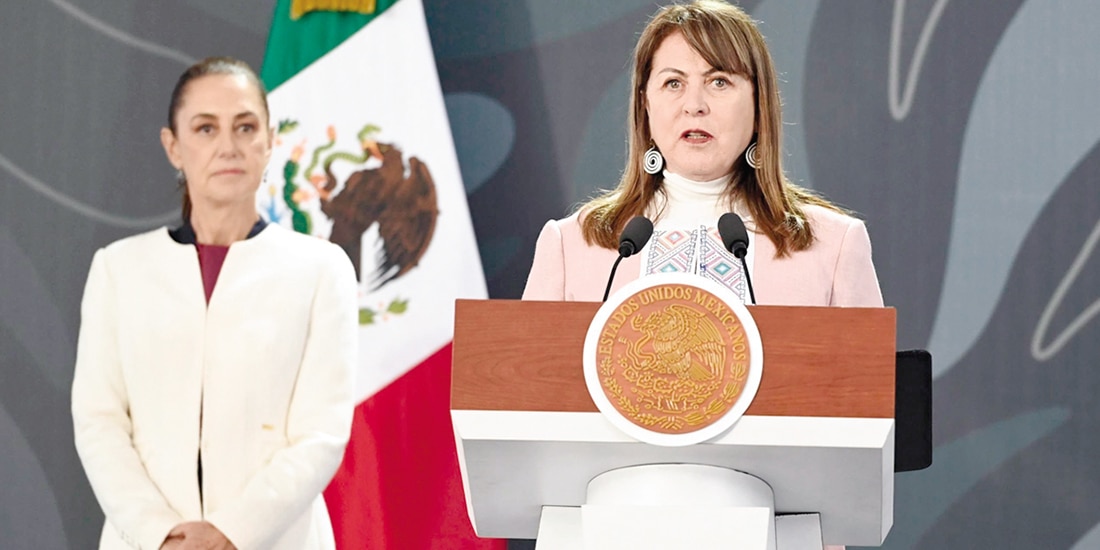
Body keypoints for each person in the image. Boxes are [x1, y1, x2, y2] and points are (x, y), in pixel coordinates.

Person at [71, 57, 358, 550]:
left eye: (245, 127)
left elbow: (321, 432)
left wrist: (231, 532)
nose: (228, 146)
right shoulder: (119, 269)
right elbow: (99, 422)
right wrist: (161, 533)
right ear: (173, 146)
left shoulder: (320, 269)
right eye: (206, 128)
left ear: (270, 141)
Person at [523, 0, 882, 310]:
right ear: (645, 107)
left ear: (759, 106)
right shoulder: (571, 246)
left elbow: (866, 372)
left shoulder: (833, 246)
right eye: (673, 83)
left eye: (719, 81)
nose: (694, 105)